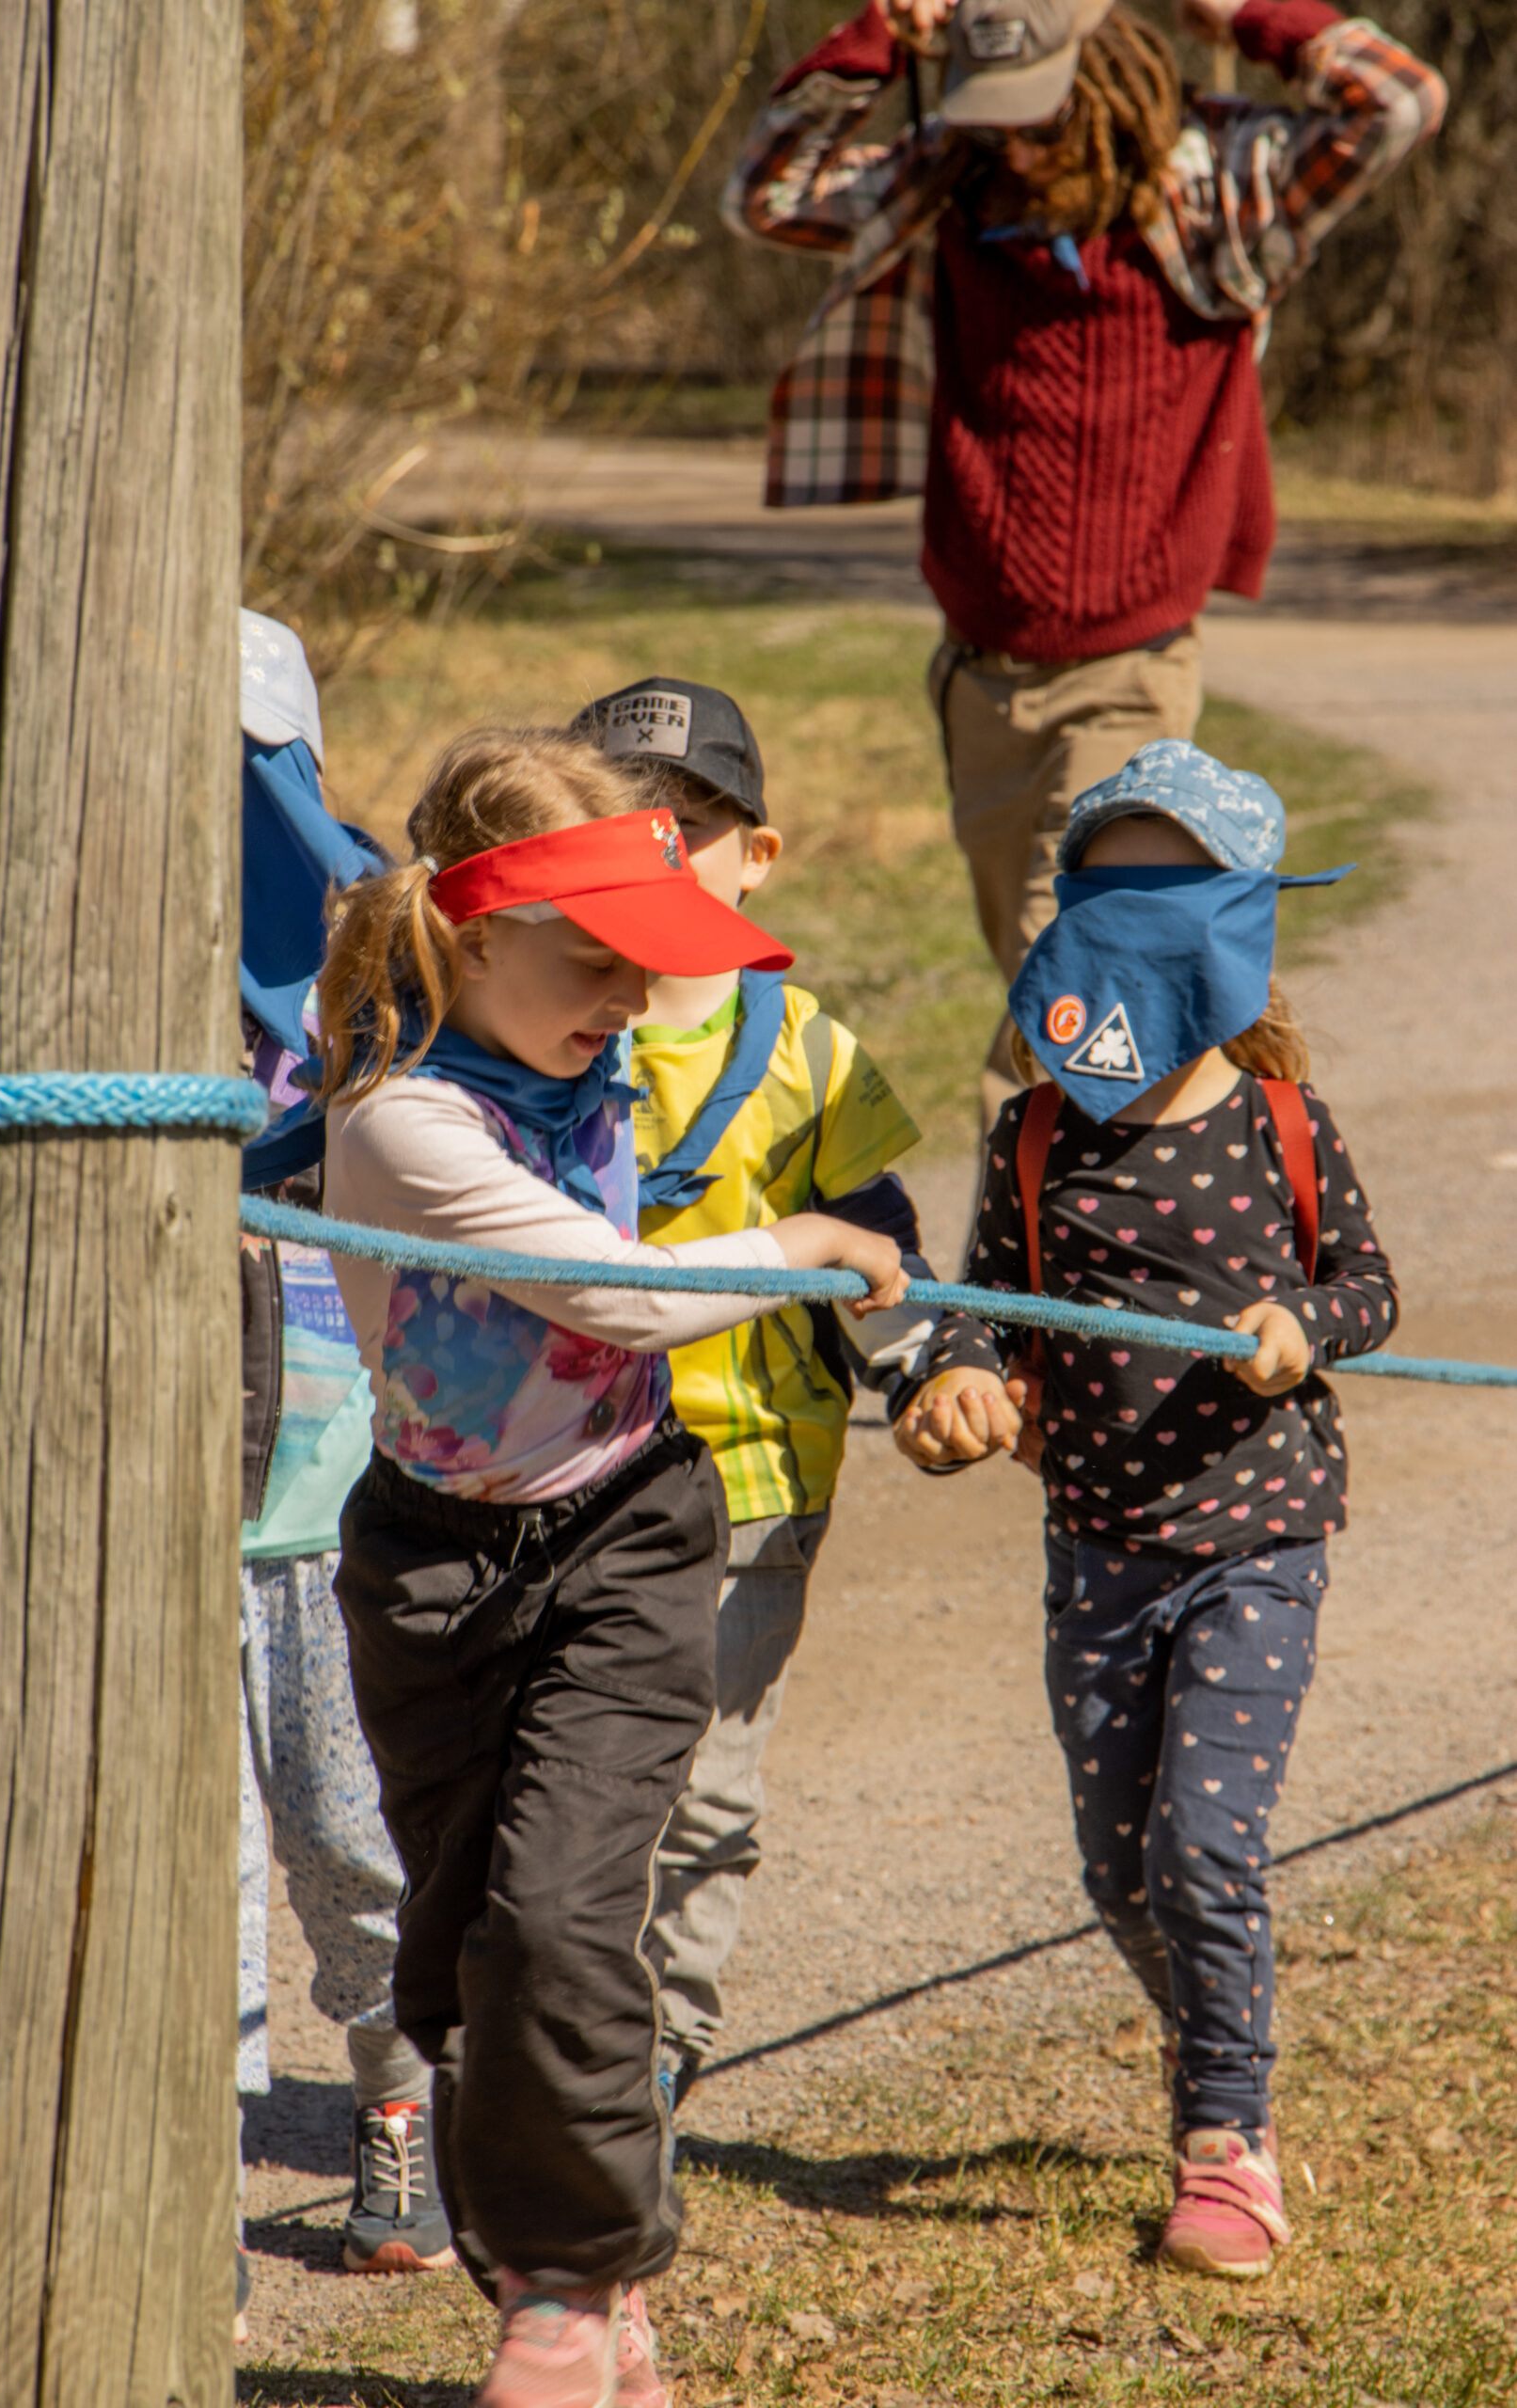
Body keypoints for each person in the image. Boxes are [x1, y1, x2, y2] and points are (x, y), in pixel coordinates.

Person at [317, 727, 910, 2406]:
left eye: (645, 969)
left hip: (629, 1533)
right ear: (466, 935)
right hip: (431, 1572)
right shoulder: (400, 1130)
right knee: (460, 1966)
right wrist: (795, 1249)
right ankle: (557, 2269)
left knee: (561, 1916)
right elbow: (618, 1296)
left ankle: (574, 2287)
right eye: (592, 961)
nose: (628, 1004)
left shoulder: (592, 1058)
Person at [722, 0, 1445, 1136]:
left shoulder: (1210, 196)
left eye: (1039, 117)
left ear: (1108, 84)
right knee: (1091, 992)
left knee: (1062, 996)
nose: (1014, 143)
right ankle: (1192, 1205)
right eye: (990, 116)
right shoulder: (952, 186)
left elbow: (1400, 99)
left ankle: (1024, 1294)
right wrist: (877, 39)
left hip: (1128, 673)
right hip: (977, 678)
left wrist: (1249, 16)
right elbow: (767, 191)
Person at [894, 741, 1398, 2278]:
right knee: (1119, 1868)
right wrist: (954, 1389)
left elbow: (1371, 1288)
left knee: (1197, 1846)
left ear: (1235, 928)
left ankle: (1223, 2144)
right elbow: (980, 1312)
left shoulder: (1281, 1123)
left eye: (1167, 897)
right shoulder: (1032, 1134)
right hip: (1097, 1548)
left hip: (1258, 1542)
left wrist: (1309, 1325)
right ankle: (1224, 2038)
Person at [572, 677, 940, 2098]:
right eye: (617, 824)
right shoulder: (524, 1023)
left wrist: (927, 1382)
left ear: (756, 857)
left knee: (700, 1798)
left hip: (749, 1482)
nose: (657, 849)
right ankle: (549, 2037)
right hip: (548, 1468)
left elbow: (883, 1254)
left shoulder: (808, 1057)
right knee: (555, 1782)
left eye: (692, 824)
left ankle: (656, 2050)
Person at [234, 611, 453, 2321]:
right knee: (195, 1889)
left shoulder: (369, 979)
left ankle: (395, 2093)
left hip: (322, 1510)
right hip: (120, 1524)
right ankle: (179, 2196)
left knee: (353, 1849)